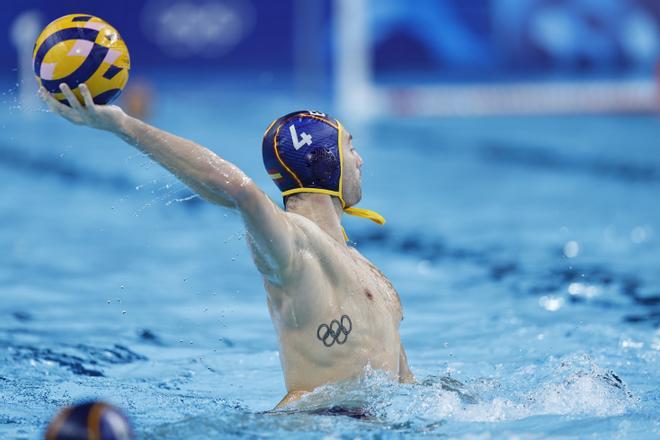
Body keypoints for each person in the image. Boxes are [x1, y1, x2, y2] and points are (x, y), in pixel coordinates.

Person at [39, 83, 414, 409]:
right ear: (325, 159)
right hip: (309, 425)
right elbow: (240, 191)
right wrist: (123, 125)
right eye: (350, 147)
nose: (360, 159)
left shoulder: (368, 270)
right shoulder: (293, 246)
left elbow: (405, 386)